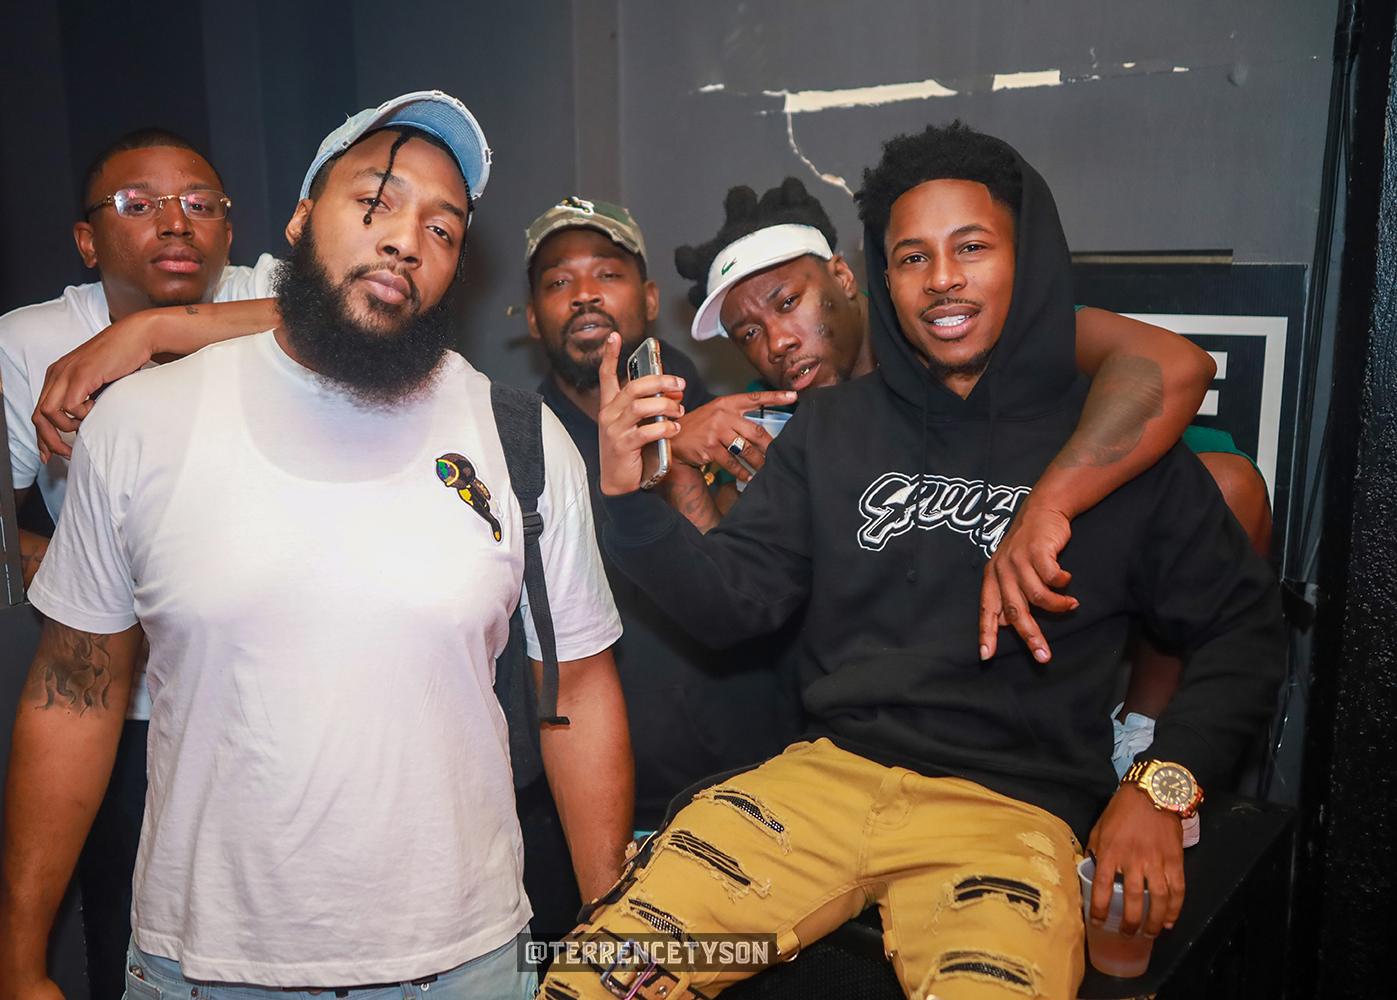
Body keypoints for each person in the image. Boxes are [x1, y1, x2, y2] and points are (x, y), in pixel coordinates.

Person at [541, 122, 1284, 1000]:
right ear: (884, 276)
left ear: (1025, 258)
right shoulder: (830, 428)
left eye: (971, 247)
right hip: (817, 787)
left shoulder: (1105, 444)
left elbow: (1244, 630)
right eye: (912, 257)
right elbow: (732, 603)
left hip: (1009, 814)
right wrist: (630, 502)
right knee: (593, 980)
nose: (941, 280)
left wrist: (1161, 787)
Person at [0, 91, 631, 1000]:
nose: (405, 240)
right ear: (299, 220)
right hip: (203, 970)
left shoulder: (518, 439)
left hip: (466, 966)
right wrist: (17, 954)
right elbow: (73, 693)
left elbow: (580, 691)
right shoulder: (139, 424)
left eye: (442, 230)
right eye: (375, 202)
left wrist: (611, 933)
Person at [667, 178, 1273, 785]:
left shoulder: (959, 322)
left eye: (788, 303)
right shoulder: (767, 418)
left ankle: (1139, 730)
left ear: (845, 277)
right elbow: (731, 590)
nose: (777, 342)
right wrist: (678, 465)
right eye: (747, 333)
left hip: (1081, 498)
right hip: (892, 701)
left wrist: (1048, 504)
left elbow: (1178, 366)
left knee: (1228, 486)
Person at [0, 128, 280, 1000]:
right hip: (130, 716)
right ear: (88, 241)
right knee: (137, 938)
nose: (175, 222)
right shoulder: (30, 341)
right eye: (138, 204)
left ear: (229, 229)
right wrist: (83, 576)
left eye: (200, 204)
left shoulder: (269, 294)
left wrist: (151, 332)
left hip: (278, 704)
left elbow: (368, 313)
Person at [521, 199, 806, 896]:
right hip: (590, 818)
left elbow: (746, 594)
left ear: (649, 299)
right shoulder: (513, 447)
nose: (584, 294)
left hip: (758, 796)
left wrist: (678, 459)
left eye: (607, 273)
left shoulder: (732, 419)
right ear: (531, 317)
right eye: (558, 281)